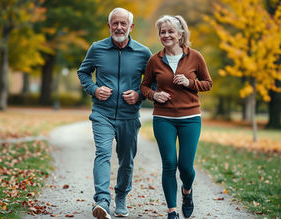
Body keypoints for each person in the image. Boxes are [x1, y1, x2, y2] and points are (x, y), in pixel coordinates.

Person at [77, 7, 152, 219]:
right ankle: (102, 200)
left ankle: (121, 197)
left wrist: (139, 95)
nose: (119, 27)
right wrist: (94, 89)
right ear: (109, 26)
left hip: (129, 116)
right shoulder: (97, 48)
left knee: (127, 159)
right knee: (102, 152)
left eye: (123, 23)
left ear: (131, 27)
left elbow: (151, 82)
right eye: (115, 23)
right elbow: (83, 72)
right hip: (102, 113)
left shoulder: (143, 53)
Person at [140, 15, 212, 219]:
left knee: (186, 167)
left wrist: (190, 84)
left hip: (190, 118)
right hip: (163, 118)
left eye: (170, 31)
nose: (166, 35)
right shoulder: (155, 59)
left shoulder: (195, 56)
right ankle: (172, 210)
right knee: (169, 163)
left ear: (180, 34)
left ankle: (187, 192)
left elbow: (208, 83)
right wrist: (154, 95)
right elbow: (144, 86)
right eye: (162, 32)